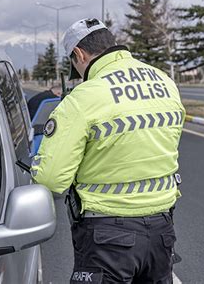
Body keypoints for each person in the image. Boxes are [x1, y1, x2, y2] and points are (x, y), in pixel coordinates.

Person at [31, 18, 185, 283]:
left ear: (78, 54)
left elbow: (51, 179)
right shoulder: (165, 82)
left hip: (107, 237)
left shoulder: (84, 97)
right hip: (162, 231)